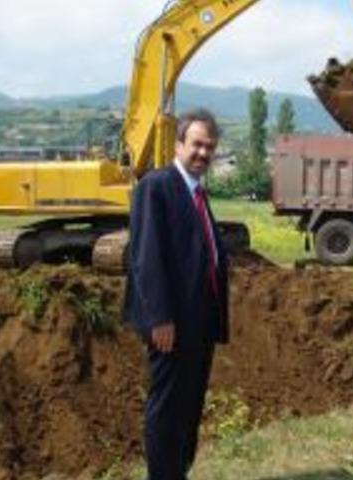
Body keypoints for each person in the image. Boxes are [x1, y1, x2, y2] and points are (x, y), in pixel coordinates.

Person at [123, 108, 230, 480]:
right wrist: (159, 317)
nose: (203, 153)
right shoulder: (158, 185)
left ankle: (177, 471)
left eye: (210, 147)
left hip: (198, 320)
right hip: (171, 322)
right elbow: (146, 257)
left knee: (189, 405)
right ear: (179, 143)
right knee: (168, 407)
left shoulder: (196, 191)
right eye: (197, 144)